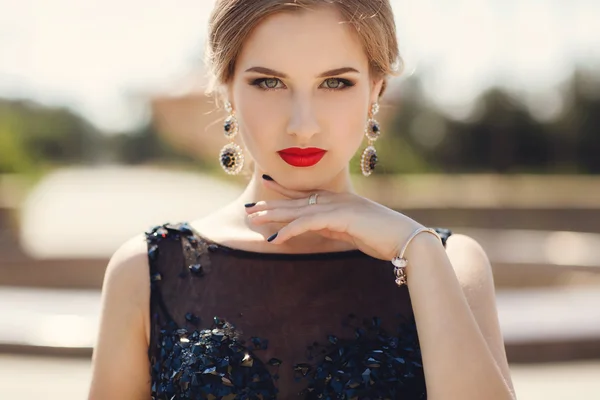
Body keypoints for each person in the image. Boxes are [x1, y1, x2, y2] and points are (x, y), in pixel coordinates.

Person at [88, 1, 516, 399]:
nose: (303, 125)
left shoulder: (451, 263)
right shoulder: (147, 271)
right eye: (269, 82)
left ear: (376, 90)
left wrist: (417, 251)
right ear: (226, 89)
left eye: (335, 82)